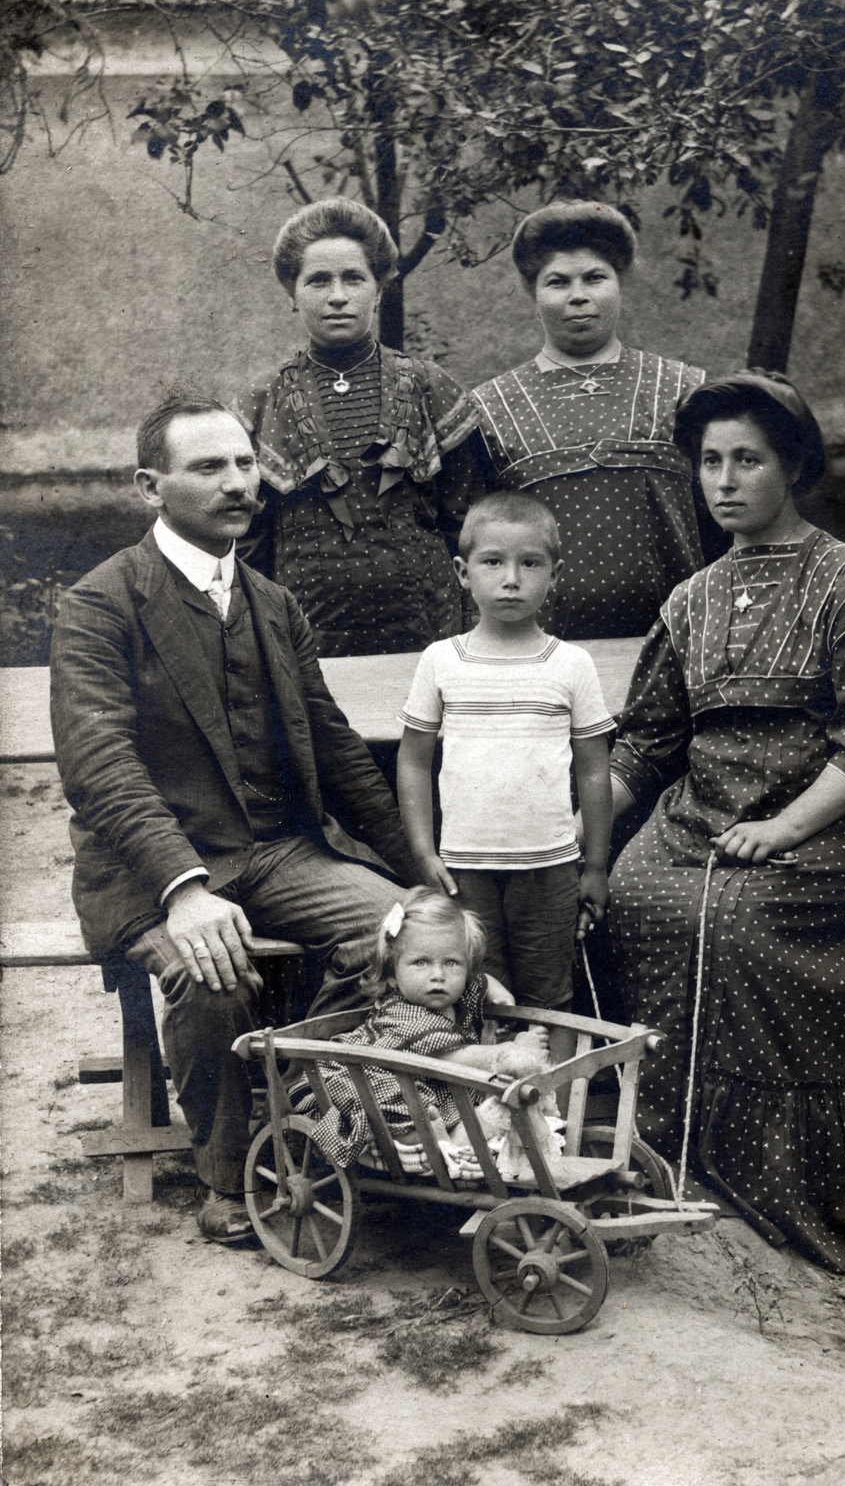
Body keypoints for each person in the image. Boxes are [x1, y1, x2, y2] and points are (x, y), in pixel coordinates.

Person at [607, 369, 845, 1271]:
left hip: (836, 833)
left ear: (794, 467)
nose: (724, 481)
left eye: (748, 460)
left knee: (733, 920)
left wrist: (782, 831)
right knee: (629, 894)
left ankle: (792, 1171)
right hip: (704, 818)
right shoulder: (690, 600)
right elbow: (648, 742)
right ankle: (674, 1141)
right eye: (708, 462)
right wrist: (577, 824)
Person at [50, 395, 420, 1244]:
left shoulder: (272, 603)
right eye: (209, 467)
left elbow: (332, 750)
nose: (238, 483)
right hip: (153, 874)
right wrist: (183, 890)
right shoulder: (100, 606)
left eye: (247, 464)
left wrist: (420, 871)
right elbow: (101, 767)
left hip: (277, 852)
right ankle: (229, 1175)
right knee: (214, 972)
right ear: (152, 486)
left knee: (397, 929)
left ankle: (314, 1124)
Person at [397, 493, 614, 1024]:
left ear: (554, 574)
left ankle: (552, 1107)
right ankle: (482, 1105)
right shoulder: (442, 661)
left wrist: (596, 866)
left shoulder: (570, 664)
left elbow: (593, 769)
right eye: (493, 562)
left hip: (549, 866)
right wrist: (425, 851)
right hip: (465, 868)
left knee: (550, 998)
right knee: (476, 994)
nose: (511, 578)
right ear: (463, 572)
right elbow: (414, 762)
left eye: (530, 563)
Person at [461, 201, 720, 640]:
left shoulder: (684, 390)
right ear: (533, 294)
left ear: (620, 285)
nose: (578, 295)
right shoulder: (489, 407)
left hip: (679, 640)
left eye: (595, 278)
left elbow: (720, 523)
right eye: (558, 282)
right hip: (543, 650)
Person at [238, 196, 484, 656]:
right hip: (305, 637)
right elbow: (248, 546)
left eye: (354, 278)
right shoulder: (260, 403)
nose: (337, 296)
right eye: (318, 280)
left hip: (429, 630)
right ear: (293, 294)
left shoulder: (431, 387)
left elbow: (471, 524)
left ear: (379, 287)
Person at [271, 888, 551, 1172]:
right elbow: (455, 1058)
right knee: (395, 1101)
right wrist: (512, 1050)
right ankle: (444, 1144)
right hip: (370, 1082)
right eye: (421, 962)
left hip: (426, 1086)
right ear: (392, 975)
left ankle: (454, 1135)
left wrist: (490, 984)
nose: (438, 974)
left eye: (451, 962)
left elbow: (474, 982)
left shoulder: (452, 994)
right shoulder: (402, 1014)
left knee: (433, 1099)